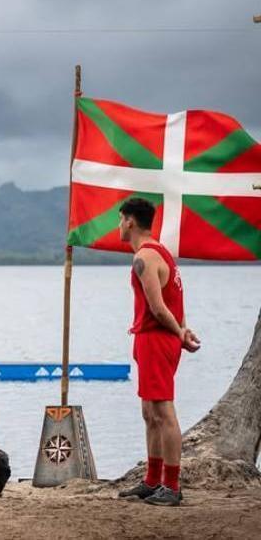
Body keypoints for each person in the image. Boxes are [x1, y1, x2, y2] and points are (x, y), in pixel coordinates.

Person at [115, 197, 200, 507]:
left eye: (119, 219)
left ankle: (172, 486)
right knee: (149, 413)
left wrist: (179, 332)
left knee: (163, 413)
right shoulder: (160, 251)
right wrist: (183, 329)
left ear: (129, 221)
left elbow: (158, 306)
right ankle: (152, 481)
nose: (118, 226)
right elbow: (176, 297)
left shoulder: (146, 257)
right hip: (153, 337)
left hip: (158, 339)